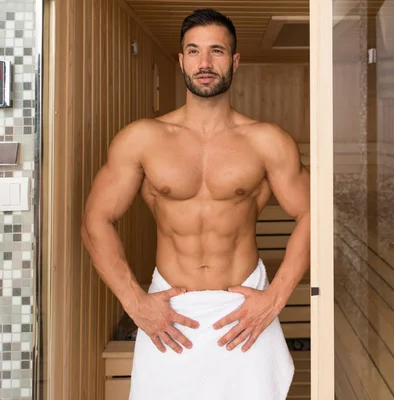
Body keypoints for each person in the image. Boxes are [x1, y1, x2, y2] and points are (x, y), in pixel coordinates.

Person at [80, 8, 310, 400]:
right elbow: (95, 221)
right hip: (170, 312)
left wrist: (275, 298)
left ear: (234, 61)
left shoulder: (266, 141)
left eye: (217, 51)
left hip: (244, 309)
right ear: (181, 59)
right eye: (194, 51)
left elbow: (312, 213)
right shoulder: (143, 139)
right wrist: (137, 304)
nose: (205, 63)